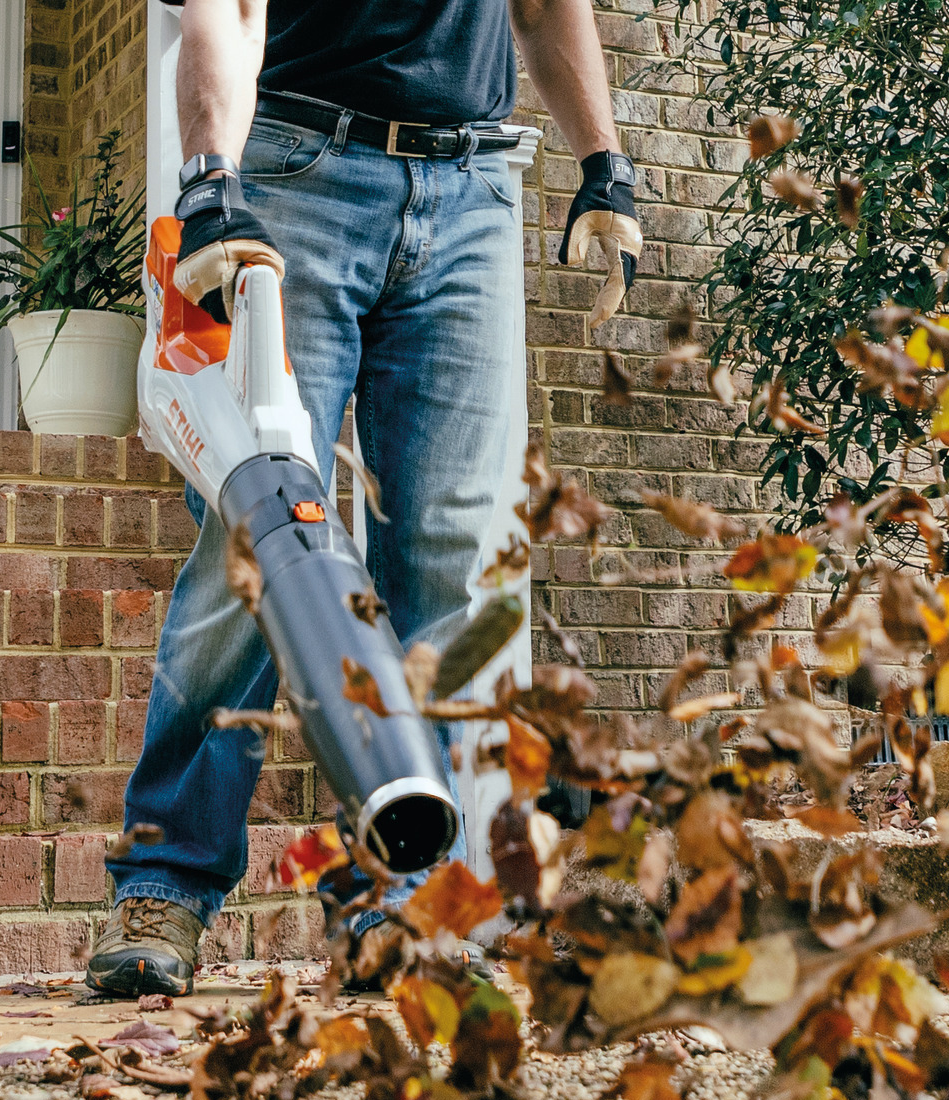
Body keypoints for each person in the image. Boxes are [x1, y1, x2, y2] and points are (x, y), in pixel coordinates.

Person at [87, 0, 640, 996]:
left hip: (473, 192)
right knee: (254, 539)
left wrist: (605, 162)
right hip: (299, 167)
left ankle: (413, 895)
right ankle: (165, 880)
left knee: (454, 563)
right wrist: (210, 177)